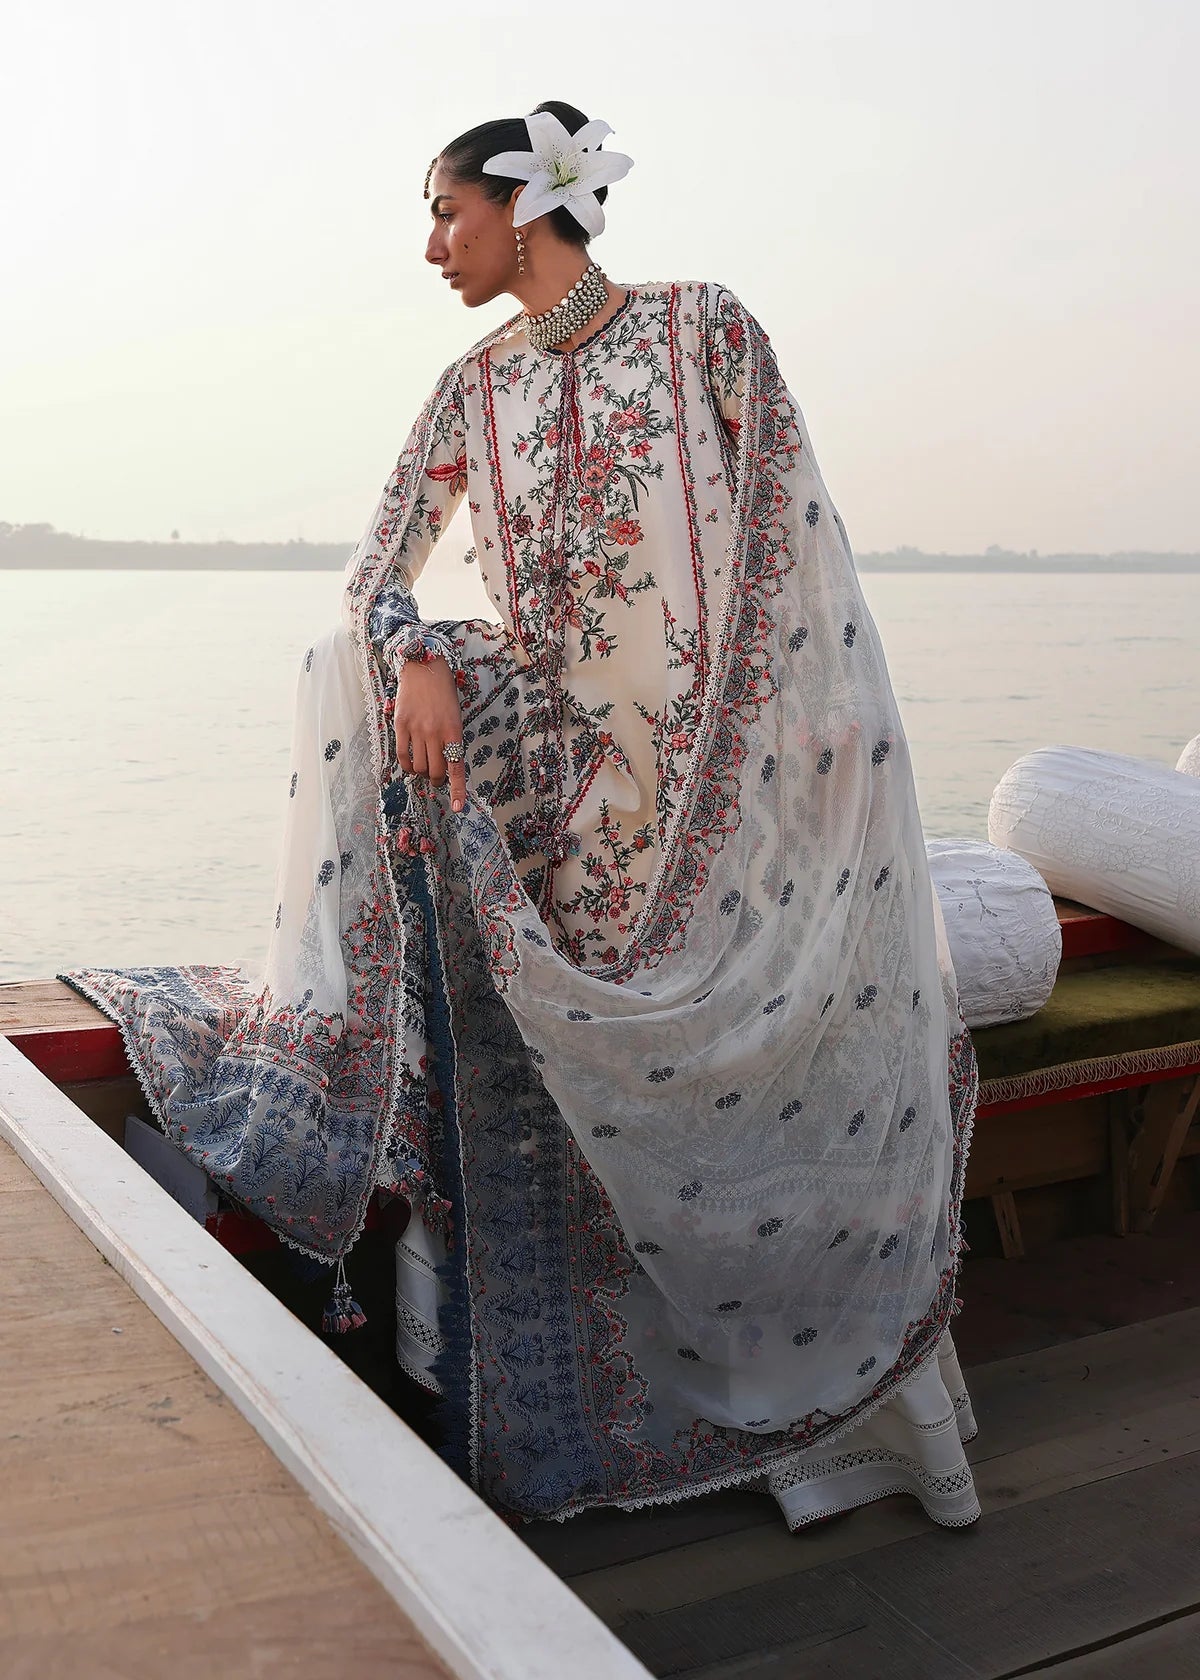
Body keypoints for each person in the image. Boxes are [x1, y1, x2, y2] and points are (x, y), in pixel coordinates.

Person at [66, 101, 981, 1531]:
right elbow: (375, 572)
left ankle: (813, 1415)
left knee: (741, 1083)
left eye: (448, 212)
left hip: (731, 779)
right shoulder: (470, 392)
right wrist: (418, 652)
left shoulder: (701, 330)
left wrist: (789, 750)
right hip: (579, 798)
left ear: (530, 199)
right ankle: (636, 1395)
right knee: (354, 682)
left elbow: (793, 542)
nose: (434, 245)